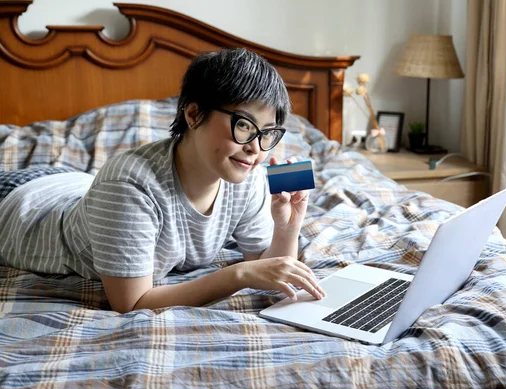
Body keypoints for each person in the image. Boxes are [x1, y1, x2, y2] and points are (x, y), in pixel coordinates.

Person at [0, 48, 326, 313]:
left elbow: (269, 271)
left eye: (267, 132)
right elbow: (132, 302)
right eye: (243, 125)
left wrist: (287, 227)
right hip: (26, 206)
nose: (255, 148)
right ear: (194, 114)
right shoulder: (128, 184)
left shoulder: (247, 175)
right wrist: (237, 275)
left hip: (78, 186)